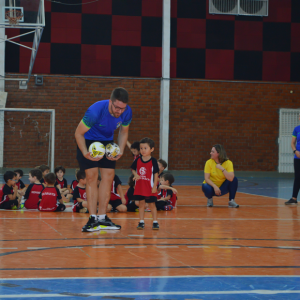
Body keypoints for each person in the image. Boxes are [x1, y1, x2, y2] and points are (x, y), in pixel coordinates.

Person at [75, 87, 132, 232]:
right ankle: (92, 218)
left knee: (108, 177)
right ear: (110, 102)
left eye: (122, 108)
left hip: (107, 143)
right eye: (117, 107)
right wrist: (84, 152)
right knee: (92, 177)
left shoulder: (127, 112)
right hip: (88, 142)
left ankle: (102, 217)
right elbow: (78, 133)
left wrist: (120, 149)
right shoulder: (95, 111)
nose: (120, 111)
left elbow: (124, 132)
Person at [131, 137, 159, 230]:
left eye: (145, 148)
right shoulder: (138, 159)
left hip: (149, 187)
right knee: (141, 204)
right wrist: (135, 174)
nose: (143, 150)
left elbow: (156, 174)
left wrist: (154, 186)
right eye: (141, 148)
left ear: (152, 149)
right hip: (140, 186)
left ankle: (155, 222)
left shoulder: (153, 161)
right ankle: (141, 221)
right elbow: (132, 169)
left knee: (152, 205)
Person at [286, 115, 300, 205]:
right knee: (297, 177)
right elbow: (292, 143)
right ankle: (294, 198)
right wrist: (295, 151)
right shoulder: (296, 129)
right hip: (297, 157)